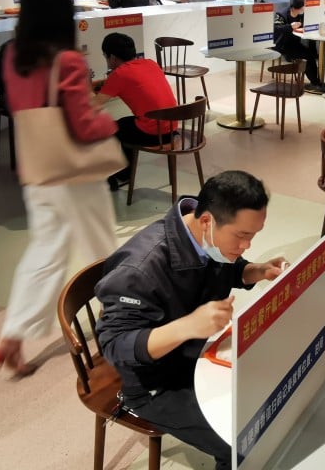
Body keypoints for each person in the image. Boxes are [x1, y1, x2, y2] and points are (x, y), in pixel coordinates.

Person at [95, 171, 284, 470]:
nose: (247, 245)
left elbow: (230, 267)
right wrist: (188, 326)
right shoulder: (140, 269)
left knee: (273, 392)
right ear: (207, 221)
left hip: (197, 355)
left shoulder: (206, 235)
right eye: (242, 236)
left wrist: (258, 271)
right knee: (243, 443)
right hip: (153, 384)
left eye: (253, 235)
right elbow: (114, 345)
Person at [0, 0, 119, 377]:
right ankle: (121, 321)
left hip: (37, 167)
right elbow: (82, 126)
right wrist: (109, 123)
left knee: (44, 253)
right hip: (74, 172)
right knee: (102, 248)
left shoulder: (13, 57)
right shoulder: (67, 61)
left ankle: (13, 335)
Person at [93, 32, 178, 191]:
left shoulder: (119, 74)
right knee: (126, 125)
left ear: (112, 57)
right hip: (171, 129)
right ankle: (126, 173)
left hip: (153, 134)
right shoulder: (150, 63)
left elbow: (94, 106)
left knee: (108, 129)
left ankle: (111, 179)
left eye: (105, 56)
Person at [271, 0, 325, 94]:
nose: (306, 9)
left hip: (294, 43)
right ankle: (315, 82)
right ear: (300, 6)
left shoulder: (302, 15)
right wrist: (290, 26)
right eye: (305, 6)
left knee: (310, 55)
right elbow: (276, 29)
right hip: (282, 45)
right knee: (307, 56)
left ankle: (316, 82)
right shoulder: (281, 14)